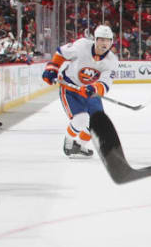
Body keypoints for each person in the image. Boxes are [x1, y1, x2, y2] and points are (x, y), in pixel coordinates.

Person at [42, 25, 117, 158]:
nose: (105, 43)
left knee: (97, 124)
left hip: (90, 92)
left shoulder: (111, 60)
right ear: (95, 39)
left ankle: (79, 145)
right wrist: (52, 68)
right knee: (81, 119)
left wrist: (94, 88)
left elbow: (105, 84)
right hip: (70, 88)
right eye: (101, 40)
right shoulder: (82, 46)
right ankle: (69, 143)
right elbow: (61, 53)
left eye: (108, 40)